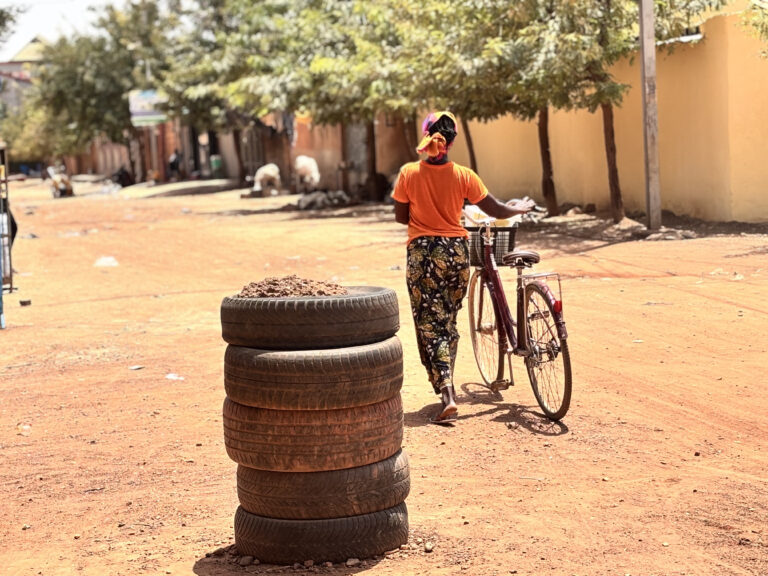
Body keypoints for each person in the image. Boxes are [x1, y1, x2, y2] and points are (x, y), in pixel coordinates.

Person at [391, 111, 535, 424]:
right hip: (456, 254)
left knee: (429, 325)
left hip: (423, 256)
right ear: (452, 141)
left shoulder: (408, 173)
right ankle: (447, 386)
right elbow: (496, 209)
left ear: (426, 135)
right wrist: (519, 208)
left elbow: (401, 217)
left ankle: (447, 393)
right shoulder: (464, 175)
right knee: (447, 322)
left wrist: (424, 212)